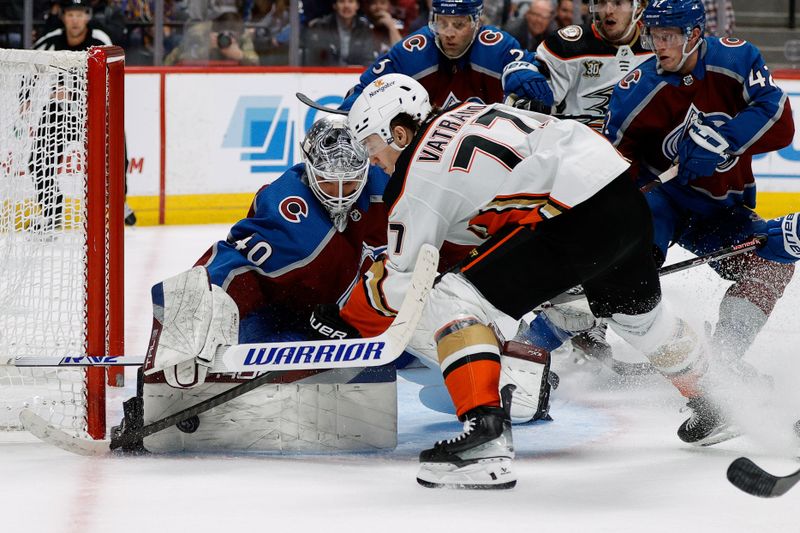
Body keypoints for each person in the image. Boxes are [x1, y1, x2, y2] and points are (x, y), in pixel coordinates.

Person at [334, 73, 718, 489]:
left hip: (570, 220)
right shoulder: (470, 110)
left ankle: (485, 440)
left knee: (452, 301)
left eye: (372, 145)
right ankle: (717, 402)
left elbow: (402, 286)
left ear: (399, 132)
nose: (372, 160)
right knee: (640, 322)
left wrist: (350, 310)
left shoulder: (416, 177)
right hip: (625, 202)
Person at [116, 115, 397, 453]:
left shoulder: (387, 189)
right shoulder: (284, 205)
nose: (339, 195)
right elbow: (238, 264)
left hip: (352, 315)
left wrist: (350, 317)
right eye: (327, 182)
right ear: (309, 171)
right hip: (280, 313)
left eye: (349, 183)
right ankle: (159, 399)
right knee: (236, 351)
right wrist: (203, 302)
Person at [604, 0, 798, 425]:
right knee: (624, 275)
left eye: (669, 35)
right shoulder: (635, 89)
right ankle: (543, 341)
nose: (659, 45)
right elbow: (613, 165)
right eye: (654, 35)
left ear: (695, 33)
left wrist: (728, 137)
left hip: (721, 212)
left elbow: (781, 122)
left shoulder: (736, 59)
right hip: (661, 204)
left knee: (780, 248)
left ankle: (722, 362)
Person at [511, 0, 653, 368]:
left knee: (620, 257)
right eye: (601, 1)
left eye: (617, 2)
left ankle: (587, 328)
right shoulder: (567, 44)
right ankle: (540, 337)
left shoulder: (659, 44)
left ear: (638, 6)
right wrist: (521, 74)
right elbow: (524, 73)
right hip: (573, 168)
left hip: (632, 170)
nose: (607, 9)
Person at [30, 0, 136, 230]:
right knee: (38, 159)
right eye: (70, 14)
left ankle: (119, 204)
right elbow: (29, 68)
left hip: (96, 109)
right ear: (64, 17)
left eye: (80, 14)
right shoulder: (50, 41)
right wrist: (27, 99)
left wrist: (85, 93)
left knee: (117, 156)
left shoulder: (101, 40)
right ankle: (51, 210)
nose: (75, 19)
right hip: (59, 110)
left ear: (87, 16)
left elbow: (114, 74)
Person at [338, 0, 551, 112]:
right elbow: (367, 89)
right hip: (423, 155)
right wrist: (350, 111)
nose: (449, 32)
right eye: (442, 22)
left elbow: (534, 68)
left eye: (459, 24)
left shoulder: (497, 46)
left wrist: (528, 71)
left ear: (476, 23)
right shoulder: (414, 49)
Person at [164, 10, 260, 65]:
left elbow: (256, 64)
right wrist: (205, 49)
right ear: (213, 32)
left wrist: (241, 56)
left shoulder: (243, 37)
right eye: (222, 34)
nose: (227, 38)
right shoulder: (198, 34)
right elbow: (178, 60)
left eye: (232, 35)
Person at [302, 0, 380, 66]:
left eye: (350, 1)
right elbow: (314, 61)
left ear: (357, 6)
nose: (346, 6)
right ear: (335, 5)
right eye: (342, 1)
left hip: (356, 77)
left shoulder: (364, 28)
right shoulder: (321, 26)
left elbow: (369, 60)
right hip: (326, 78)